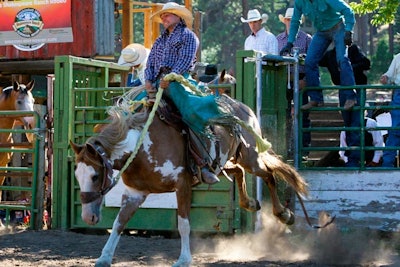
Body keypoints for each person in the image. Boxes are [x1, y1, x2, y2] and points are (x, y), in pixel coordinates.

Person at [144, 2, 219, 184]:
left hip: (178, 80)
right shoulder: (159, 41)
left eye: (167, 14)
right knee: (133, 107)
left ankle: (202, 162)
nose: (164, 18)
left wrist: (169, 78)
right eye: (162, 16)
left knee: (190, 113)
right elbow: (150, 63)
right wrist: (147, 81)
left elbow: (184, 62)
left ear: (178, 16)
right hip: (157, 82)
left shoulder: (188, 36)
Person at [280, 0, 361, 167]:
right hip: (322, 32)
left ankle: (350, 96)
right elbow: (295, 21)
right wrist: (290, 42)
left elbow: (348, 11)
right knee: (309, 61)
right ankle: (316, 97)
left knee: (342, 59)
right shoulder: (300, 3)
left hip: (338, 27)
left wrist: (348, 30)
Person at [276, 7, 312, 158]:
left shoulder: (307, 39)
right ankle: (283, 149)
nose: (291, 22)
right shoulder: (277, 39)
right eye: (289, 20)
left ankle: (303, 150)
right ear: (285, 21)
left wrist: (306, 80)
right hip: (282, 80)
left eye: (293, 20)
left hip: (300, 79)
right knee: (282, 114)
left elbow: (312, 64)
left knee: (302, 114)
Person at [380, 53, 400, 167]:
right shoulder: (398, 58)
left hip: (398, 93)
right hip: (398, 93)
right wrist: (386, 77)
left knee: (395, 129)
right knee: (395, 129)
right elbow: (390, 74)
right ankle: (387, 163)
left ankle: (387, 163)